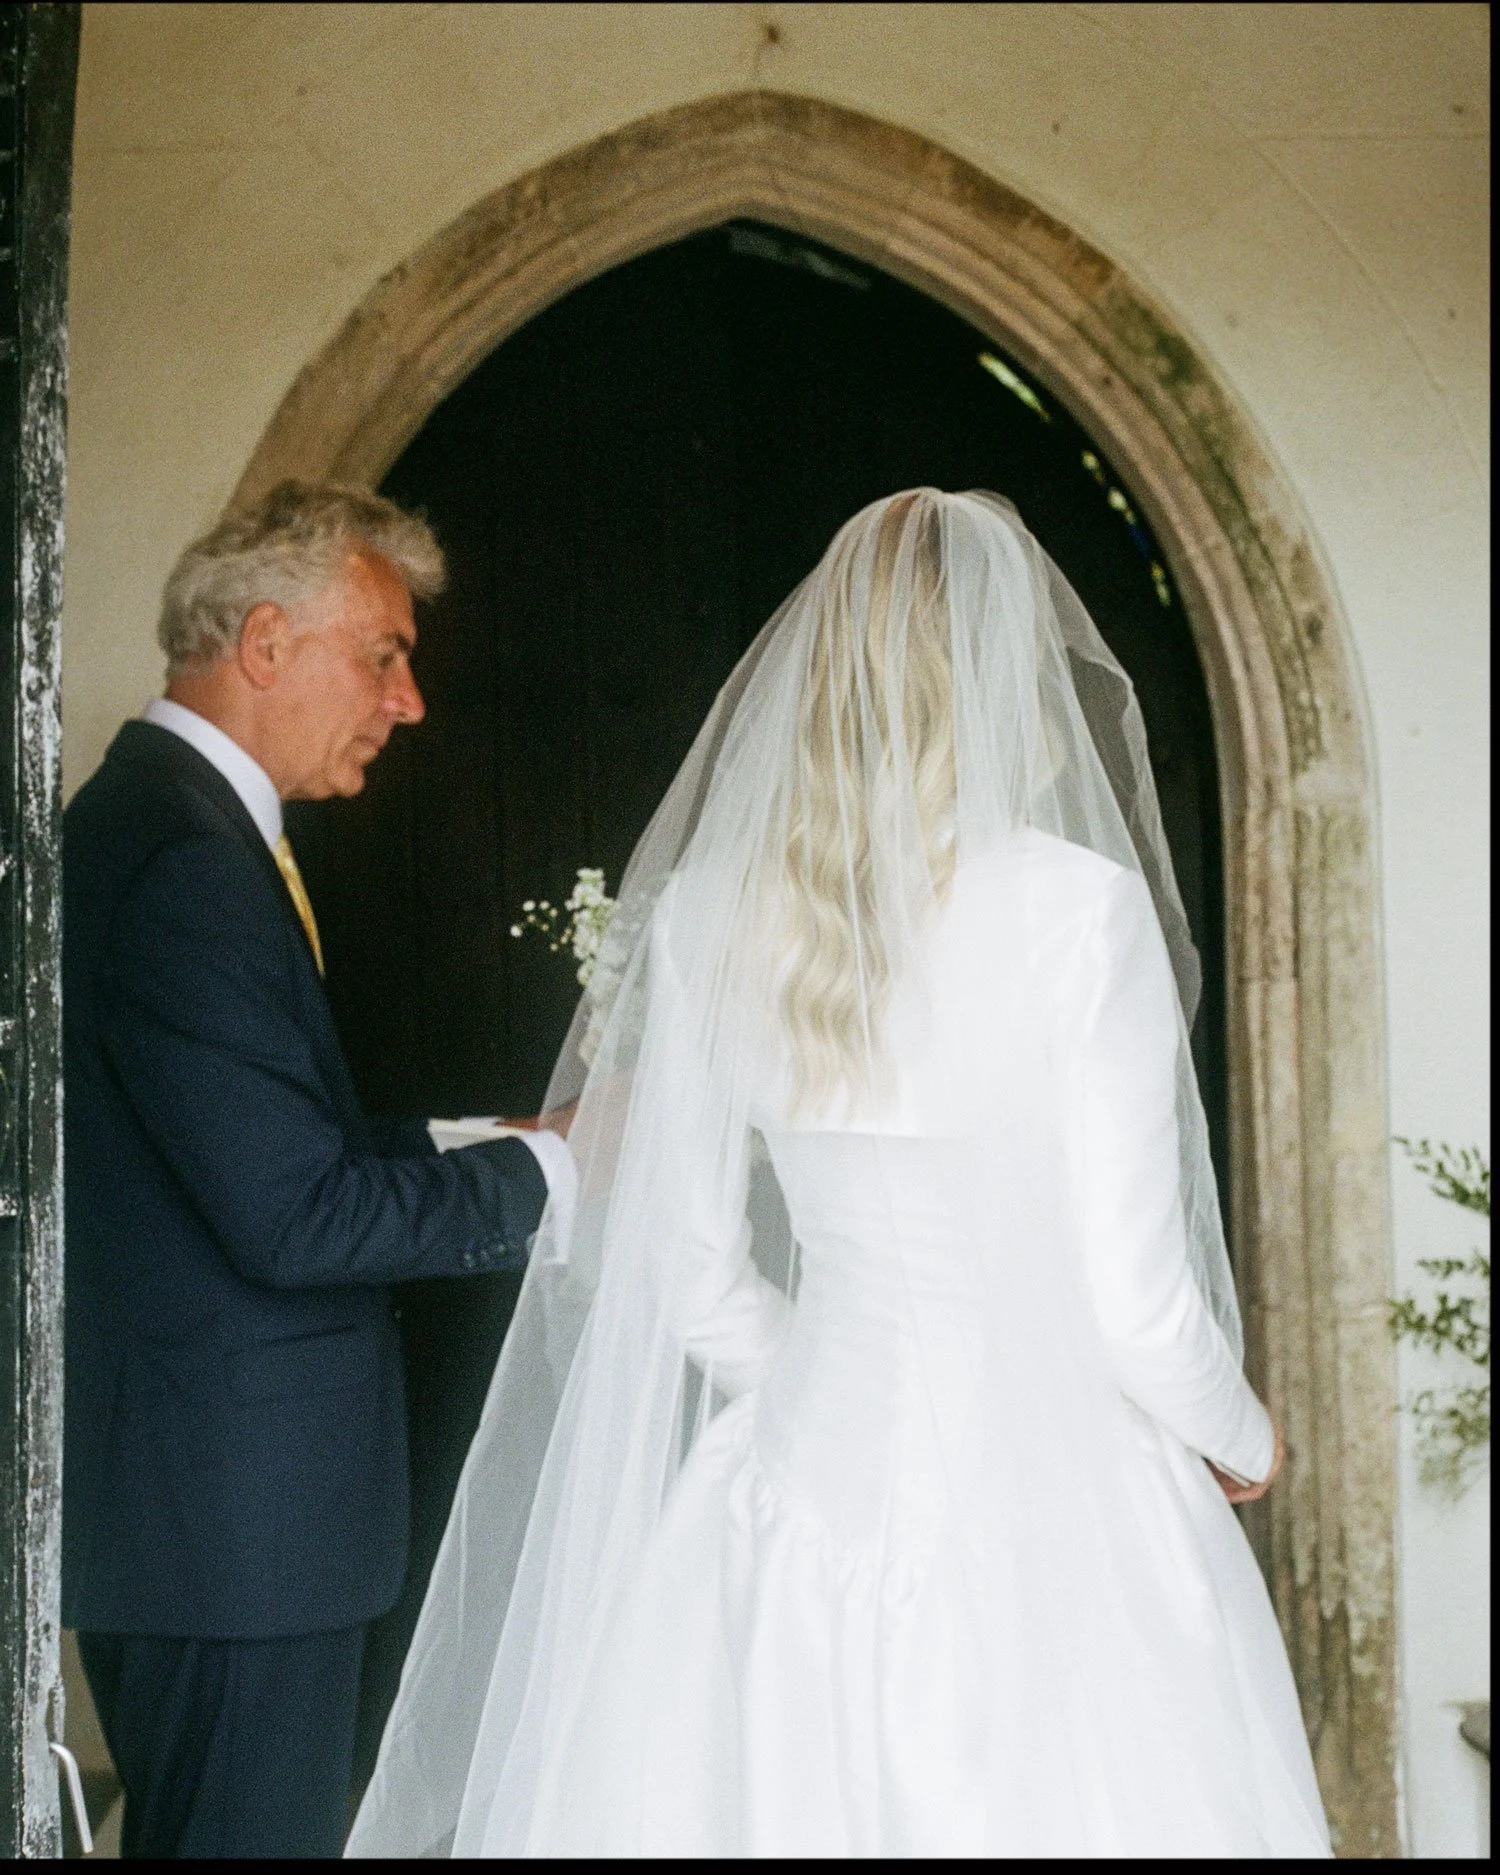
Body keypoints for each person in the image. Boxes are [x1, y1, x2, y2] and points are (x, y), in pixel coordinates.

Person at [348, 489, 1331, 1858]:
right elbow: (1136, 1302)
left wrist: (821, 1374)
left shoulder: (714, 914)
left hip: (801, 1491)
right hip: (1068, 1522)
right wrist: (1245, 1436)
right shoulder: (1073, 913)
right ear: (999, 671)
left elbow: (689, 1277)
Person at [62, 481, 575, 1859]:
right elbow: (294, 1217)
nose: (407, 702)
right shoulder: (184, 863)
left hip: (221, 1524)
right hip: (232, 1537)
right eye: (386, 653)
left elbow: (267, 1147)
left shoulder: (178, 829)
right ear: (268, 642)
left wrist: (494, 1144)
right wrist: (564, 1190)